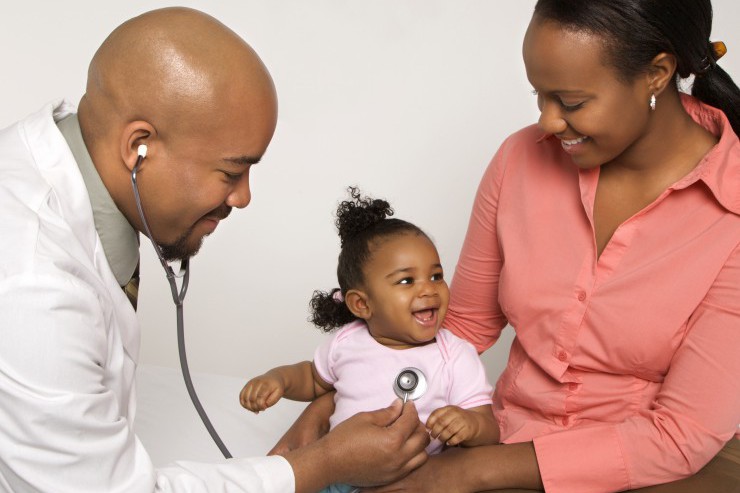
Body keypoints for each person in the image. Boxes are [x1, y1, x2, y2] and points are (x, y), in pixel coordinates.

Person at [271, 1, 740, 492]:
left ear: (657, 74)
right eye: (539, 95)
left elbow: (682, 435)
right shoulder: (521, 159)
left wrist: (466, 473)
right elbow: (461, 328)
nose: (549, 122)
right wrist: (339, 404)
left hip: (653, 474)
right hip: (505, 438)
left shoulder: (730, 214)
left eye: (572, 102)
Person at [0, 7, 431, 492]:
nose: (243, 197)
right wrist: (320, 466)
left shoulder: (59, 176)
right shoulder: (31, 285)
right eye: (230, 172)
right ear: (138, 147)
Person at [240, 187, 498, 492]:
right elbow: (312, 379)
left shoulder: (454, 355)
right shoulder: (348, 343)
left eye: (436, 276)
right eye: (406, 280)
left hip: (414, 481)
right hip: (341, 475)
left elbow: (489, 427)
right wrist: (279, 380)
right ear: (362, 304)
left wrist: (469, 425)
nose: (429, 289)